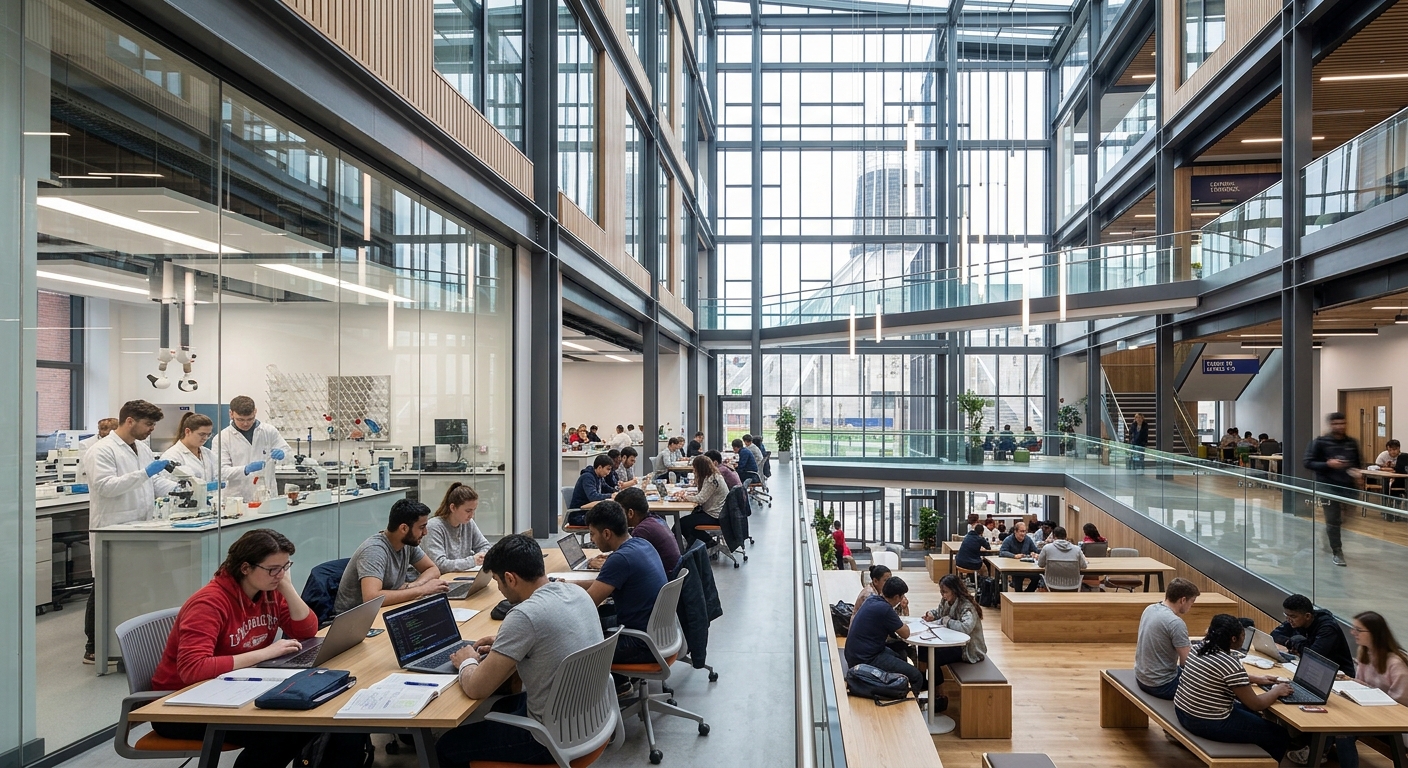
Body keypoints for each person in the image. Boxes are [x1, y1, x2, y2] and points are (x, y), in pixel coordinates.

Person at [149, 529, 361, 767]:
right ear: (246, 568)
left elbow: (306, 631)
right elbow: (193, 668)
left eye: (285, 567)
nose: (279, 575)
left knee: (327, 717)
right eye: (273, 569)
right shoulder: (209, 603)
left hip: (233, 687)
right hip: (180, 704)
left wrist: (287, 589)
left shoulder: (269, 593)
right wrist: (267, 653)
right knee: (285, 731)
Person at [438, 535, 604, 766]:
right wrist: (507, 642)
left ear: (510, 578)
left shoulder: (524, 615)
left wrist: (467, 661)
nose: (498, 587)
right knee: (502, 707)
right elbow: (550, 632)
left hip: (550, 740)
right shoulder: (577, 593)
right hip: (590, 718)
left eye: (497, 580)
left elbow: (476, 688)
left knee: (447, 746)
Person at [84, 399, 179, 664]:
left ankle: (134, 646)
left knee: (137, 588)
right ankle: (94, 647)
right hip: (113, 528)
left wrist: (184, 489)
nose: (151, 429)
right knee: (105, 586)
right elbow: (106, 486)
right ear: (130, 421)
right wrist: (144, 474)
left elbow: (155, 482)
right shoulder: (101, 450)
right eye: (148, 424)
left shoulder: (142, 448)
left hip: (142, 526)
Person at [1174, 614, 1293, 762]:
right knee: (1279, 735)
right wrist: (1277, 690)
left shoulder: (1199, 648)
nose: (1244, 639)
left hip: (1183, 711)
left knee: (1252, 716)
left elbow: (1215, 674)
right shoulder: (1230, 663)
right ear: (1233, 639)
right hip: (1206, 722)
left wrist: (1256, 679)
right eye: (1243, 635)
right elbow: (1256, 704)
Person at [580, 501, 665, 677]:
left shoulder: (620, 559)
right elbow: (602, 585)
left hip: (639, 643)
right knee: (603, 616)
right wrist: (567, 585)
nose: (591, 540)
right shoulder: (641, 544)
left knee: (574, 644)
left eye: (592, 534)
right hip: (656, 633)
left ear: (606, 533)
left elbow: (586, 605)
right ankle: (621, 683)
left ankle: (611, 688)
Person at [335, 499, 448, 613]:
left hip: (385, 609)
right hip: (356, 618)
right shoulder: (374, 551)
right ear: (404, 528)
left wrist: (414, 585)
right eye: (421, 527)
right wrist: (422, 590)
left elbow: (432, 569)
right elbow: (372, 598)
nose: (425, 532)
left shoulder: (407, 544)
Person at [1330, 611, 1408, 768]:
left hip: (1395, 721)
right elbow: (1362, 685)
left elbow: (1401, 705)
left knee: (1343, 732)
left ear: (1375, 633)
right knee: (1333, 719)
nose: (1353, 633)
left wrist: (1368, 692)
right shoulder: (1365, 653)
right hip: (1371, 713)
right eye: (1354, 628)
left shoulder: (1395, 663)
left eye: (1359, 630)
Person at [845, 576, 924, 696]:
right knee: (916, 676)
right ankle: (911, 705)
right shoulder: (885, 609)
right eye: (902, 596)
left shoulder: (872, 599)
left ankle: (899, 689)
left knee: (901, 655)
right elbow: (906, 633)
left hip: (856, 653)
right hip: (866, 658)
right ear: (897, 597)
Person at [1303, 412, 1361, 567]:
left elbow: (1357, 462)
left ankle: (1329, 534)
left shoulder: (1352, 443)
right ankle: (1337, 551)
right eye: (1336, 424)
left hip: (1348, 486)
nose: (1339, 426)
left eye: (1342, 423)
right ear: (1331, 425)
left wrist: (1355, 471)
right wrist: (1328, 464)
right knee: (1333, 519)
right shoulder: (1320, 442)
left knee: (1345, 519)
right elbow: (1308, 462)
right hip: (1327, 486)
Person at [1135, 578, 1201, 699]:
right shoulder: (1176, 623)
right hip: (1162, 685)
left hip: (1142, 676)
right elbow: (1185, 663)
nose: (1191, 606)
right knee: (1211, 686)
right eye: (1192, 602)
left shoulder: (1150, 609)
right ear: (1183, 600)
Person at [218, 396, 290, 504]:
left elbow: (289, 454)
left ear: (255, 412)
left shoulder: (269, 431)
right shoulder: (222, 438)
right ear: (231, 414)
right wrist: (245, 469)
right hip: (237, 499)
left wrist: (283, 454)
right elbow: (221, 471)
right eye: (240, 419)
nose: (246, 423)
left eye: (250, 419)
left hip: (266, 495)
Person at [921, 574, 988, 682]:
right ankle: (923, 681)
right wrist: (932, 615)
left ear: (955, 590)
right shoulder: (946, 600)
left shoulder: (967, 606)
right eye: (941, 591)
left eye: (945, 592)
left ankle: (937, 689)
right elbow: (940, 612)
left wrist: (946, 621)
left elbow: (965, 628)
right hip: (952, 642)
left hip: (967, 649)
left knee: (934, 656)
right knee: (923, 648)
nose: (943, 595)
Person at [1270, 594, 1355, 675]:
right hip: (1314, 669)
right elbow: (1274, 634)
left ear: (1307, 616)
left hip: (1338, 674)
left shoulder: (1327, 628)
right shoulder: (1297, 621)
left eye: (1292, 616)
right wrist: (1290, 643)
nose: (1289, 620)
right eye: (1286, 615)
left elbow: (1313, 656)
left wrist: (1297, 644)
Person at [424, 482, 490, 573]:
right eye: (468, 511)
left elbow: (485, 546)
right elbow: (439, 564)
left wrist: (481, 556)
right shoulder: (433, 527)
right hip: (440, 580)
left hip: (460, 576)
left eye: (474, 510)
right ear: (453, 508)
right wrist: (472, 561)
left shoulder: (468, 523)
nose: (472, 515)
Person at [612, 487, 680, 574]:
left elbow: (628, 563)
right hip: (672, 576)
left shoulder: (641, 532)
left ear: (630, 513)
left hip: (665, 578)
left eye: (619, 512)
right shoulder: (656, 519)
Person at [160, 412, 234, 488]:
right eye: (202, 434)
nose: (205, 438)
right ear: (187, 431)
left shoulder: (208, 454)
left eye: (208, 435)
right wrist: (200, 488)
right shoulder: (172, 456)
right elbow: (170, 487)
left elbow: (219, 476)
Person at [675, 455, 729, 549]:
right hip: (719, 512)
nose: (693, 470)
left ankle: (708, 543)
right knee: (687, 522)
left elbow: (701, 499)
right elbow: (703, 494)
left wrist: (685, 497)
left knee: (681, 524)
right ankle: (700, 544)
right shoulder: (713, 476)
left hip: (715, 515)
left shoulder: (711, 480)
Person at [1036, 526, 1087, 591]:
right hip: (1073, 585)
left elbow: (1040, 564)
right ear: (1066, 537)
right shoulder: (1077, 549)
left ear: (1054, 536)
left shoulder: (1047, 548)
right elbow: (1084, 566)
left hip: (1051, 585)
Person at [998, 522, 1039, 592]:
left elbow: (1035, 550)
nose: (1023, 534)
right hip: (1015, 569)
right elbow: (1002, 552)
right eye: (1021, 531)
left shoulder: (1028, 539)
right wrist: (1014, 556)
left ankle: (1027, 593)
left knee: (1037, 577)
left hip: (1027, 567)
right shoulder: (1008, 540)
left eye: (1025, 531)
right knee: (1018, 579)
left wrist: (1034, 553)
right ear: (1015, 532)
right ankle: (1019, 596)